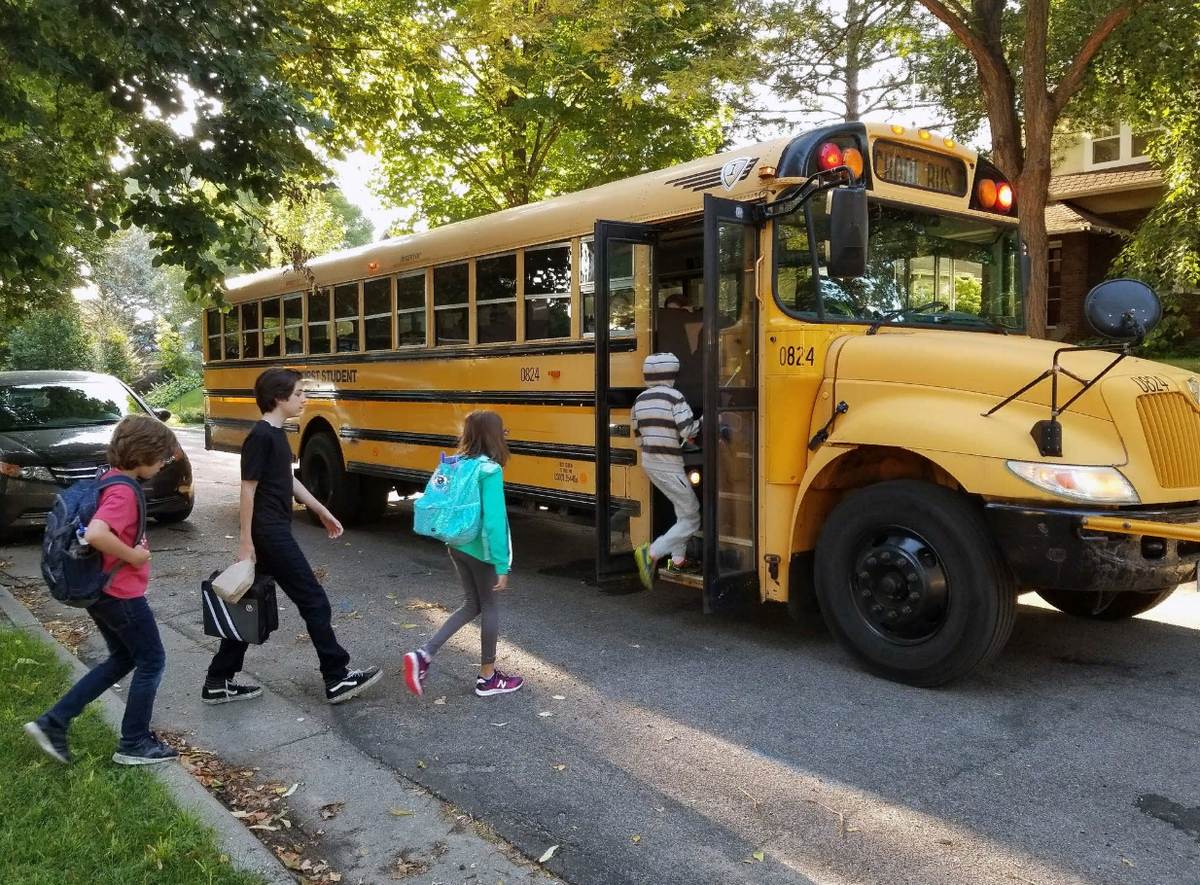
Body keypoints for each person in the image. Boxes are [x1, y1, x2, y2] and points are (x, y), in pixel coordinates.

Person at [202, 368, 381, 705]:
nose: (304, 399)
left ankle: (218, 679)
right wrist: (245, 543)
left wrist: (322, 510)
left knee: (247, 599)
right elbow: (247, 488)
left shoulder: (277, 433)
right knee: (313, 600)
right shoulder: (260, 436)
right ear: (279, 397)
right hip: (268, 533)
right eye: (299, 394)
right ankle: (336, 676)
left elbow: (288, 480)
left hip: (272, 531)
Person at [25, 414, 181, 765]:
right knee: (152, 660)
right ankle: (134, 743)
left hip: (103, 591)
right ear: (142, 456)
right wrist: (135, 557)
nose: (163, 464)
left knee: (124, 657)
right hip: (120, 594)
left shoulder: (108, 479)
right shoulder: (125, 492)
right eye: (161, 458)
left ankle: (54, 722)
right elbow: (96, 534)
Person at [403, 410, 522, 698]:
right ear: (494, 436)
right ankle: (488, 677)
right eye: (503, 431)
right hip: (481, 549)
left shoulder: (457, 465)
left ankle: (424, 654)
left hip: (456, 544)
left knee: (472, 605)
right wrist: (501, 564)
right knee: (490, 606)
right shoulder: (490, 470)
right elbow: (494, 521)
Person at [631, 353, 702, 589]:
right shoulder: (675, 398)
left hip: (650, 463)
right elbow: (687, 431)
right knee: (692, 515)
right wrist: (703, 421)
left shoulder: (639, 400)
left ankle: (679, 560)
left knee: (680, 507)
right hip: (669, 466)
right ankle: (652, 552)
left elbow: (638, 439)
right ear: (672, 375)